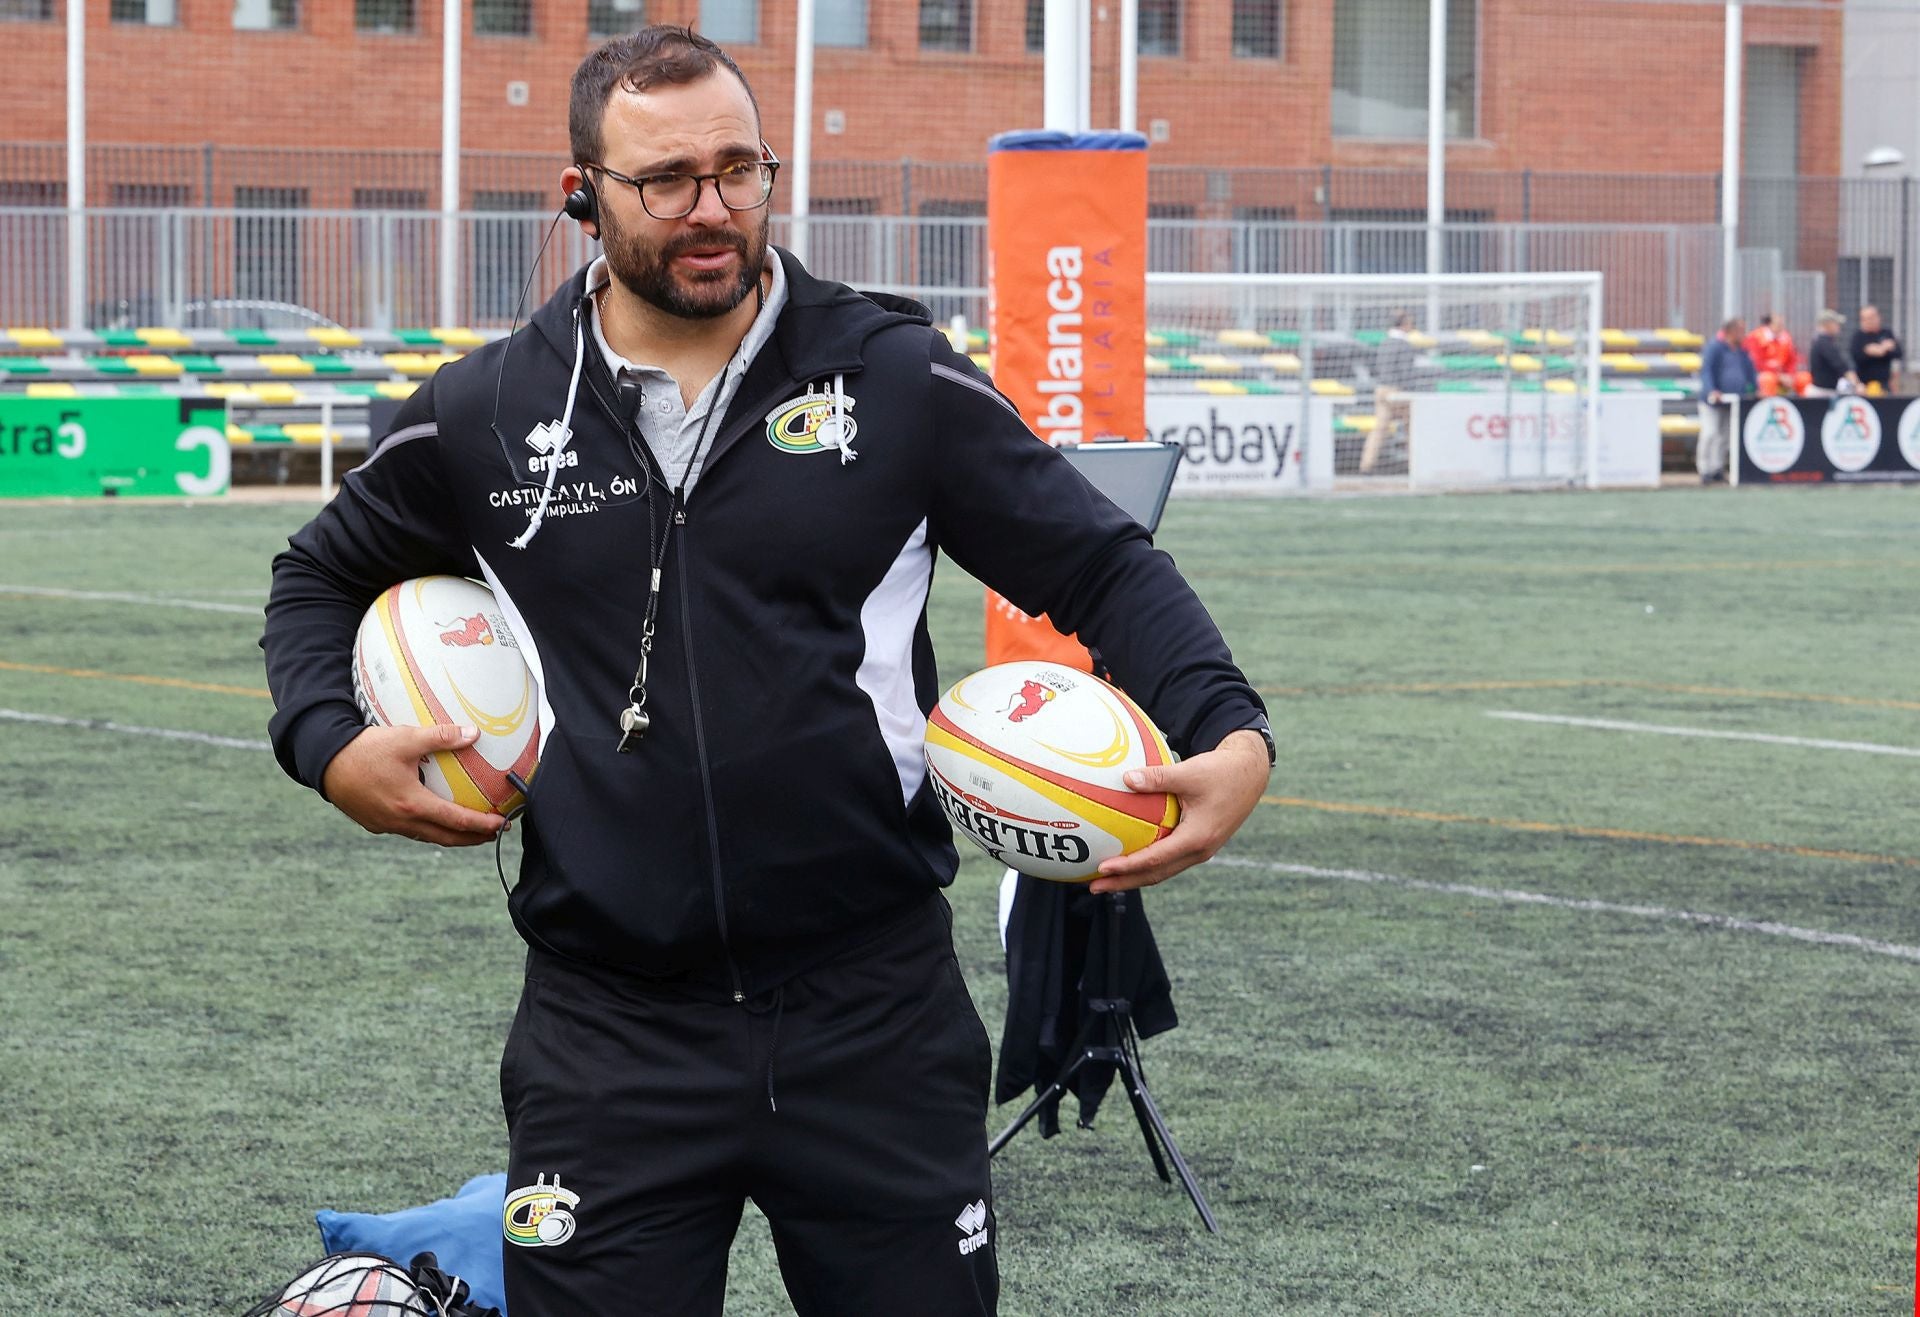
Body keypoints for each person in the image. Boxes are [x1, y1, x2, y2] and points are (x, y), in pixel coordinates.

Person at [259, 25, 1274, 1317]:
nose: (713, 209)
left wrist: (1229, 730)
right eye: (667, 179)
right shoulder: (488, 413)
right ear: (582, 194)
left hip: (875, 1015)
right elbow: (315, 576)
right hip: (610, 1030)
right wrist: (327, 742)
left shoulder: (892, 377)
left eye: (741, 170)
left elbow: (1101, 566)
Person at [1359, 310, 1423, 474]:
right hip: (1397, 391)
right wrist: (1410, 391)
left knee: (1380, 428)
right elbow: (1406, 372)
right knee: (1412, 426)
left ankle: (1366, 465)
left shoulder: (1384, 343)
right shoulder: (1404, 344)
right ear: (1404, 324)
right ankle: (1416, 464)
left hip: (1381, 389)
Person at [1697, 317, 1755, 484]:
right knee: (1710, 433)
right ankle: (1704, 468)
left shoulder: (1741, 350)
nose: (1743, 334)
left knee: (1725, 436)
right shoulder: (1715, 347)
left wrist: (1754, 387)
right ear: (1731, 331)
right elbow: (1706, 371)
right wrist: (1712, 390)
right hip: (1712, 401)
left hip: (1733, 401)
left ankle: (1717, 468)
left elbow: (1749, 371)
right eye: (1741, 330)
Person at [1850, 304, 1904, 394]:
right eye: (1865, 318)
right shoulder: (1858, 336)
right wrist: (1883, 349)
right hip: (1864, 386)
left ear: (1878, 317)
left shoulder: (1886, 333)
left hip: (1884, 384)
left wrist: (1880, 350)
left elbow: (1898, 353)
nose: (1869, 321)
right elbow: (1857, 357)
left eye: (1871, 317)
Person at [1804, 309, 1858, 397]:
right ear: (1828, 324)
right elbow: (1840, 365)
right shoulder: (1824, 343)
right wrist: (1857, 384)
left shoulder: (1820, 341)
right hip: (1822, 394)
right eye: (1836, 324)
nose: (1839, 327)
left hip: (1825, 391)